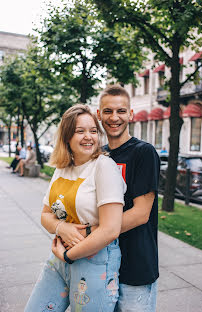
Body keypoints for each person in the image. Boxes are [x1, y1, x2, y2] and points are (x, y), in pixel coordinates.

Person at [24, 104, 126, 312]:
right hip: (59, 259)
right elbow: (45, 215)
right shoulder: (62, 168)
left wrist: (69, 255)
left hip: (95, 261)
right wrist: (63, 228)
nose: (88, 137)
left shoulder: (104, 167)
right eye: (80, 131)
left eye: (93, 131)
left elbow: (111, 229)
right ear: (67, 137)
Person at [96, 85, 160, 312]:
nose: (114, 117)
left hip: (136, 268)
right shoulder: (97, 155)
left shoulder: (144, 152)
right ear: (98, 115)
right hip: (100, 265)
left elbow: (141, 214)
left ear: (131, 114)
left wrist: (90, 234)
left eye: (121, 111)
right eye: (108, 111)